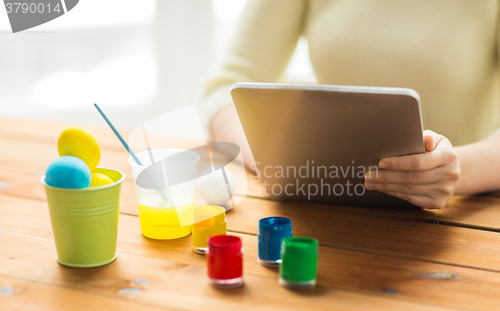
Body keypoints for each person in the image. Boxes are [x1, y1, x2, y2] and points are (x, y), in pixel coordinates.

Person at [200, 0, 500, 209]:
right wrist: (272, 160)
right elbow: (224, 89)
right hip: (323, 211)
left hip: (463, 217)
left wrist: (457, 171)